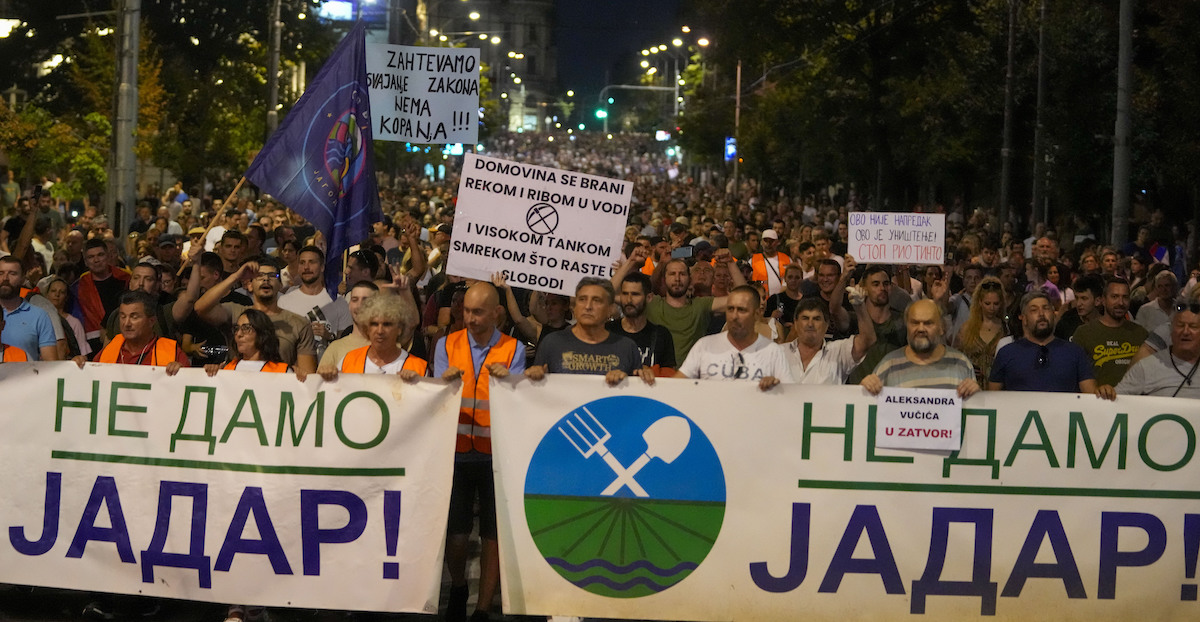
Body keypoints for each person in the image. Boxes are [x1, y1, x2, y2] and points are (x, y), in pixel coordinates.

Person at [433, 281, 526, 622]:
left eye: (478, 312)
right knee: (456, 535)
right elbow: (436, 393)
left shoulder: (514, 348)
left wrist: (508, 380)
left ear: (496, 313)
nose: (470, 318)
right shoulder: (446, 344)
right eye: (466, 310)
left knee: (492, 535)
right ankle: (458, 586)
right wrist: (444, 380)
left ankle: (484, 608)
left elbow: (517, 398)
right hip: (455, 452)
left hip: (495, 455)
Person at [614, 250, 745, 364]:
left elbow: (744, 299)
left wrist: (731, 263)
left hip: (690, 379)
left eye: (682, 274)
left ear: (690, 279)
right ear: (664, 279)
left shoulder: (701, 305)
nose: (677, 278)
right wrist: (630, 262)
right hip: (658, 377)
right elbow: (606, 295)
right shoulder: (651, 302)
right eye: (672, 274)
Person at [193, 259, 318, 374]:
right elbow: (200, 308)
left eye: (272, 276)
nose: (266, 280)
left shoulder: (298, 323)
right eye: (259, 276)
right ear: (249, 285)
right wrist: (235, 276)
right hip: (235, 388)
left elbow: (308, 375)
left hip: (277, 390)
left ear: (280, 285)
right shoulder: (237, 313)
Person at [525, 277, 652, 386]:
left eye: (596, 300)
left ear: (609, 309)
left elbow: (637, 398)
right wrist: (535, 376)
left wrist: (629, 381)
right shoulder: (552, 343)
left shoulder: (626, 347)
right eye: (582, 299)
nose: (588, 306)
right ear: (574, 307)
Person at [675, 285, 793, 390]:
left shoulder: (773, 352)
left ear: (756, 314)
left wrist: (777, 388)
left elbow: (792, 397)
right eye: (730, 309)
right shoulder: (704, 346)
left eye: (741, 310)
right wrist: (656, 384)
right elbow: (674, 386)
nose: (734, 316)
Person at [860, 299, 980, 398]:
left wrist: (976, 394)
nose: (921, 329)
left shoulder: (961, 364)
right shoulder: (888, 365)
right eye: (915, 323)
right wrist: (865, 390)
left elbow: (974, 416)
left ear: (942, 328)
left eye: (928, 323)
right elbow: (867, 410)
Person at [988, 292, 1096, 392]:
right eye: (1034, 310)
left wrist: (1103, 392)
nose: (1041, 314)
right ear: (1024, 319)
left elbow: (1090, 395)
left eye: (1046, 308)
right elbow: (992, 399)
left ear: (1054, 314)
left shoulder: (1075, 352)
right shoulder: (1006, 353)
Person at [1097, 300, 1200, 399]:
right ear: (1171, 331)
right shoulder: (1146, 367)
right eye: (1180, 326)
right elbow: (1117, 399)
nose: (1186, 332)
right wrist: (1107, 392)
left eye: (1193, 326)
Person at [75, 290, 187, 371]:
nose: (126, 323)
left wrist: (182, 374)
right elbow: (90, 381)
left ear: (151, 321)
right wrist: (76, 367)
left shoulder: (171, 351)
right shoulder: (111, 348)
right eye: (123, 316)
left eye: (134, 317)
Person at [325, 293, 428, 379]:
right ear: (367, 328)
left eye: (387, 324)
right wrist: (325, 378)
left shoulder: (418, 368)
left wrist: (416, 384)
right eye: (374, 324)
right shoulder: (349, 361)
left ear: (400, 329)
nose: (380, 331)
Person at [1071, 277, 1148, 387]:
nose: (1120, 302)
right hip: (1096, 401)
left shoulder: (1140, 333)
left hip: (1134, 401)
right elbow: (1074, 373)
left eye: (1125, 297)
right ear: (1103, 300)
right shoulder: (1084, 333)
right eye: (1114, 297)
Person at [785, 294, 875, 384]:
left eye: (817, 319)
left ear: (826, 325)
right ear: (795, 323)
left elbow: (867, 340)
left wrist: (859, 306)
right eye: (805, 318)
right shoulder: (778, 353)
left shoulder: (838, 352)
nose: (810, 324)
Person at [607, 272, 676, 376]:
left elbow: (669, 378)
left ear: (649, 298)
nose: (629, 300)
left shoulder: (661, 334)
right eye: (625, 294)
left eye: (635, 294)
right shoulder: (608, 330)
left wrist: (651, 371)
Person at [71, 238, 131, 350]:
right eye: (91, 257)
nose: (96, 260)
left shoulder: (126, 280)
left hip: (124, 339)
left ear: (108, 256)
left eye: (100, 255)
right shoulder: (78, 287)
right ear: (85, 261)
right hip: (91, 345)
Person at [952, 277, 1009, 385]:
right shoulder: (966, 328)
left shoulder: (1007, 329)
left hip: (998, 388)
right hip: (970, 385)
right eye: (987, 303)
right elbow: (955, 357)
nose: (992, 308)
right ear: (980, 302)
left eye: (996, 304)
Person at [0, 255, 58, 361]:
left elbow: (51, 364)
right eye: (1, 273)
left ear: (23, 278)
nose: (5, 278)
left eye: (12, 273)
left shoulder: (39, 316)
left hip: (26, 376)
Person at [205, 308, 291, 375]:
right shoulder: (227, 369)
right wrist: (211, 374)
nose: (239, 334)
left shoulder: (282, 371)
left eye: (246, 328)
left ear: (262, 333)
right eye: (236, 328)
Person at [1056, 274, 1103, 341]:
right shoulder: (1066, 321)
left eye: (1084, 298)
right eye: (1077, 298)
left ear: (1097, 301)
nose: (1078, 304)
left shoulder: (1107, 324)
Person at [765, 263, 805, 338]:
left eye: (797, 277)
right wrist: (772, 318)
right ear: (785, 279)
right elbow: (762, 323)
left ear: (802, 279)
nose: (793, 280)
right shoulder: (774, 300)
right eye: (790, 277)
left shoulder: (806, 302)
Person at [751, 229, 792, 296]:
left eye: (771, 241)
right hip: (761, 300)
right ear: (761, 242)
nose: (768, 244)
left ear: (777, 242)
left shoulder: (786, 259)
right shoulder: (753, 260)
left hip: (782, 298)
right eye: (766, 241)